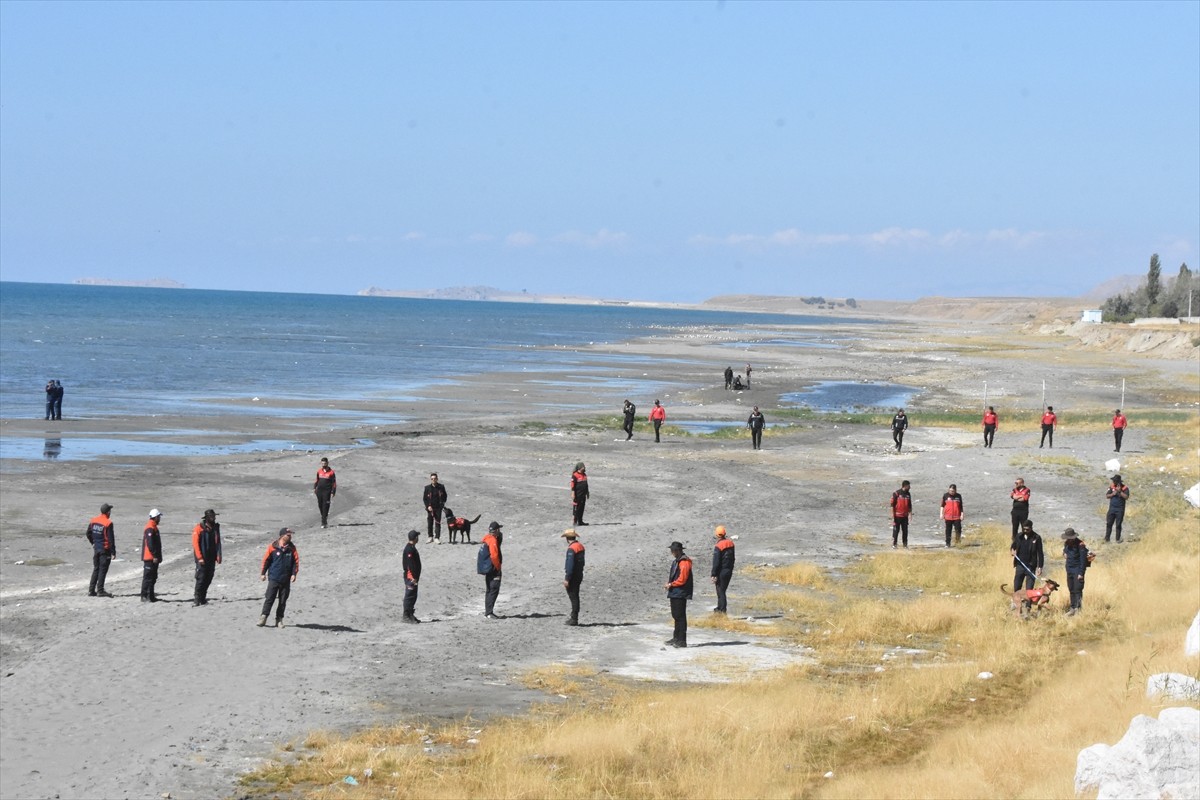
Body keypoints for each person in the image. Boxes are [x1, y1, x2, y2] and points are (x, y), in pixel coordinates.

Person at [257, 528, 299, 628]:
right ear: (282, 536)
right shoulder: (273, 547)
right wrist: (263, 573)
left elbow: (295, 563)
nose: (290, 537)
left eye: (290, 535)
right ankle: (263, 617)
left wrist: (294, 574)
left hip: (286, 579)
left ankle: (279, 620)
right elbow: (266, 561)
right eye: (288, 535)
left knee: (283, 600)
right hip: (274, 578)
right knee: (269, 598)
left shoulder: (292, 548)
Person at [664, 541, 693, 647]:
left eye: (673, 550)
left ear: (678, 551)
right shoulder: (678, 561)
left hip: (680, 592)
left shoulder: (684, 562)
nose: (672, 552)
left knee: (680, 616)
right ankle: (676, 638)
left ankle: (681, 640)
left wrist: (671, 584)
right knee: (676, 615)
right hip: (676, 591)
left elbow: (682, 579)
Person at [85, 503, 116, 597]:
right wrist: (113, 552)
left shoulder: (93, 520)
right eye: (110, 511)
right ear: (107, 512)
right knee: (103, 570)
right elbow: (111, 539)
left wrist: (93, 543)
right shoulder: (108, 523)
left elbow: (88, 533)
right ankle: (100, 590)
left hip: (97, 549)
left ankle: (91, 590)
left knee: (96, 569)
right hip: (104, 549)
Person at [192, 509, 222, 606]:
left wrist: (218, 555)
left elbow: (218, 542)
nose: (214, 518)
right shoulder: (198, 528)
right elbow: (195, 544)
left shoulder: (215, 528)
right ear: (207, 517)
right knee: (201, 578)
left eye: (214, 516)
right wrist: (200, 557)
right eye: (212, 516)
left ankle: (203, 598)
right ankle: (197, 599)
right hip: (202, 558)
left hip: (211, 557)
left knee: (209, 577)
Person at [1061, 527, 1092, 615]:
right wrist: (1064, 553)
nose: (1069, 540)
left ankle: (1078, 609)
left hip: (1077, 569)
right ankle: (1072, 607)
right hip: (1069, 569)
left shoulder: (1080, 545)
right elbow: (1065, 551)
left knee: (1077, 589)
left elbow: (1083, 561)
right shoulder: (1066, 543)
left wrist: (1081, 573)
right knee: (1071, 589)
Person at [1010, 519, 1044, 592]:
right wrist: (1012, 550)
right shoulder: (1019, 536)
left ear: (1031, 528)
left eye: (1027, 529)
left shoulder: (1036, 538)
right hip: (1020, 566)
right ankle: (1016, 602)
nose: (1025, 531)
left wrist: (1040, 567)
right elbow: (1013, 546)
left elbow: (1040, 553)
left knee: (1029, 589)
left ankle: (1028, 603)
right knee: (1017, 586)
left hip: (1031, 567)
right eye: (1024, 529)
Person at [562, 529, 585, 626]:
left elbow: (570, 565)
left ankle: (574, 618)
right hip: (579, 573)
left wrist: (567, 578)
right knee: (576, 596)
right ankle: (574, 617)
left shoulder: (572, 548)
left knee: (573, 596)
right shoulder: (580, 546)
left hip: (573, 576)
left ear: (567, 538)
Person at [481, 521, 504, 619]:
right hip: (493, 568)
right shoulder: (492, 541)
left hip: (488, 568)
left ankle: (488, 611)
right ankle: (489, 612)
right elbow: (494, 556)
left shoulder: (488, 538)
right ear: (496, 530)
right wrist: (498, 567)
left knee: (489, 590)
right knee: (493, 589)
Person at [710, 525, 735, 613]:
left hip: (721, 571)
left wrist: (713, 574)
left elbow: (716, 561)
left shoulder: (718, 546)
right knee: (722, 590)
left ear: (717, 535)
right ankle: (719, 607)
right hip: (729, 569)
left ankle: (722, 609)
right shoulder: (731, 543)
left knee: (720, 590)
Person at [141, 509, 163, 602]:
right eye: (159, 517)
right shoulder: (150, 527)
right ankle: (144, 596)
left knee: (153, 577)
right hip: (150, 557)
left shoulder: (153, 527)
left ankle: (151, 596)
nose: (160, 519)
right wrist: (154, 555)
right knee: (148, 577)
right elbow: (150, 544)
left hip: (153, 557)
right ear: (156, 517)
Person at [1105, 474, 1131, 543]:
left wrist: (1120, 492)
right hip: (1112, 508)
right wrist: (1113, 494)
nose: (1113, 482)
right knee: (1109, 523)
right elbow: (1107, 496)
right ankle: (1107, 539)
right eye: (1113, 481)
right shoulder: (1111, 487)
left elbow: (1126, 497)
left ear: (1118, 481)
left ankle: (1117, 539)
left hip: (1120, 509)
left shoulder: (1125, 488)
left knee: (1118, 524)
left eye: (1115, 481)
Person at [423, 472, 447, 543]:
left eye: (434, 478)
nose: (433, 480)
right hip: (430, 508)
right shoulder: (427, 488)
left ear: (437, 479)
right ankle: (430, 537)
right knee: (430, 522)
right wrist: (428, 506)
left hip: (438, 508)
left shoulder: (441, 487)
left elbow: (445, 496)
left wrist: (442, 504)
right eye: (432, 479)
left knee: (437, 523)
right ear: (430, 479)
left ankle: (437, 537)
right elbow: (425, 499)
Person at [313, 457, 337, 528]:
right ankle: (324, 517)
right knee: (320, 505)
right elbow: (317, 480)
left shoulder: (331, 472)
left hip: (327, 491)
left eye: (325, 463)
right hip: (319, 491)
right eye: (322, 463)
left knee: (325, 506)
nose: (323, 464)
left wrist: (333, 491)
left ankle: (323, 522)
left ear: (327, 463)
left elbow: (334, 483)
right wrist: (314, 488)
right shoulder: (319, 471)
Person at [890, 480, 913, 548]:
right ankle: (894, 544)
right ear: (905, 486)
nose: (910, 487)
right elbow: (892, 505)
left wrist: (910, 514)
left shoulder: (908, 494)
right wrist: (892, 515)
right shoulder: (897, 493)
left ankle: (905, 545)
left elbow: (909, 505)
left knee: (905, 531)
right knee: (896, 530)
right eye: (909, 486)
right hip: (897, 516)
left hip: (905, 516)